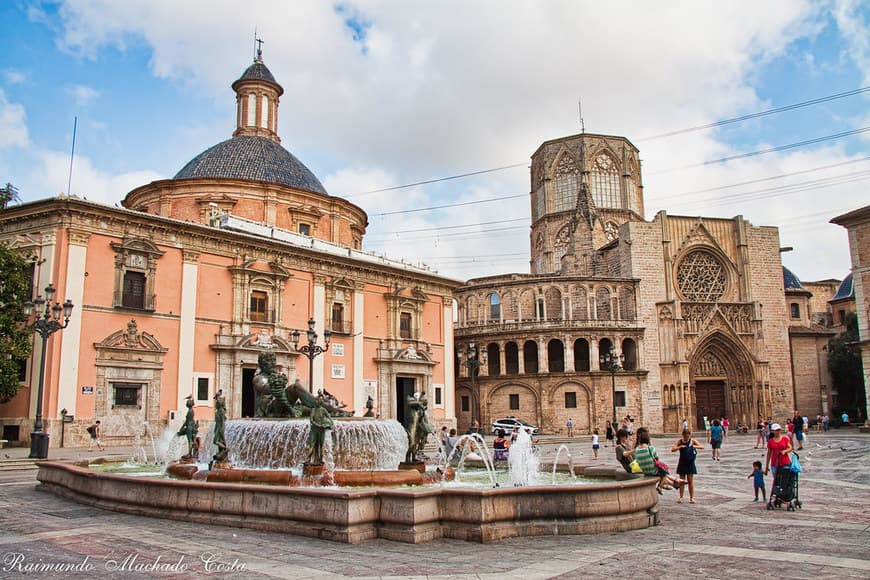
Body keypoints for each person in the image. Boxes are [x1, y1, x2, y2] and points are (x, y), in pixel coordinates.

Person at [633, 427, 685, 494]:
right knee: (663, 471)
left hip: (644, 470)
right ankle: (661, 486)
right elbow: (657, 459)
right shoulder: (650, 448)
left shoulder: (636, 449)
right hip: (652, 471)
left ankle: (673, 483)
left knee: (662, 472)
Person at [672, 428, 703, 504]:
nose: (687, 437)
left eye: (688, 435)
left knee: (690, 481)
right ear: (683, 435)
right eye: (685, 435)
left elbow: (701, 447)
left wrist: (694, 446)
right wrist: (679, 447)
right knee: (681, 481)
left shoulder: (692, 441)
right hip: (682, 463)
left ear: (690, 435)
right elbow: (673, 449)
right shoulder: (679, 441)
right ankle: (681, 497)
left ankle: (691, 498)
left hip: (690, 463)